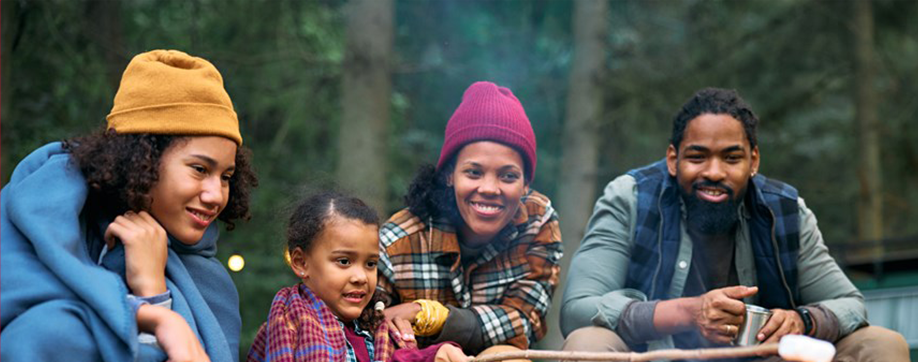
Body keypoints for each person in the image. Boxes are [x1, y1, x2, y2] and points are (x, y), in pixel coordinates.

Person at [559, 88, 909, 361]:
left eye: (731, 157)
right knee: (589, 342)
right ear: (672, 159)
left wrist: (802, 321)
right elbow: (577, 310)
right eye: (697, 157)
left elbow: (849, 303)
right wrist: (687, 312)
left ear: (753, 161)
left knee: (880, 343)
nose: (714, 172)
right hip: (655, 357)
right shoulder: (631, 199)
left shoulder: (784, 211)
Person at [1, 49, 258, 362]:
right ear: (142, 158)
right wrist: (152, 319)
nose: (216, 195)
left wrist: (152, 291)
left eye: (226, 176)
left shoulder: (212, 285)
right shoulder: (41, 217)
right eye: (200, 169)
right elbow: (36, 339)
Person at [378, 81, 563, 358]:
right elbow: (363, 333)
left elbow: (526, 319)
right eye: (474, 173)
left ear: (526, 184)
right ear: (450, 175)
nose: (489, 188)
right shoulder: (396, 242)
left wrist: (432, 315)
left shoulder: (537, 222)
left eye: (508, 176)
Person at [248, 191, 468, 362]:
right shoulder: (286, 325)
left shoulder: (376, 328)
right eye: (344, 261)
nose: (361, 277)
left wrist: (436, 354)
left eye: (371, 264)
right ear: (301, 262)